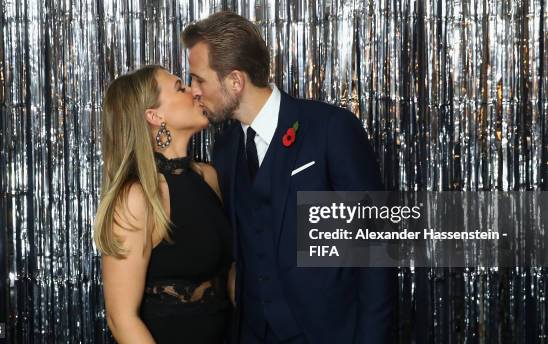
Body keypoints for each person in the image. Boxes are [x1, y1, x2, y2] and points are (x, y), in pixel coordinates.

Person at [182, 11, 396, 343]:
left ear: (235, 81)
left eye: (199, 79)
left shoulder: (330, 129)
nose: (193, 91)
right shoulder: (225, 148)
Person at [93, 65, 235, 343]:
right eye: (180, 87)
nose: (195, 92)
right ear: (154, 116)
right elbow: (121, 319)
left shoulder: (208, 177)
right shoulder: (137, 198)